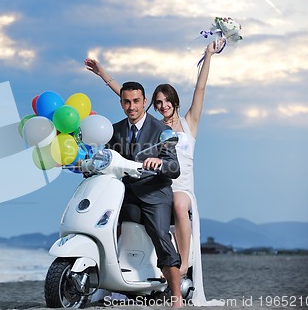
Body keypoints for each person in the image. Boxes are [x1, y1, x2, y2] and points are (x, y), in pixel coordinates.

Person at [85, 39, 222, 306]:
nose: (163, 105)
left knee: (180, 207)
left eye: (167, 100)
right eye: (158, 102)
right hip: (152, 181)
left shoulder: (188, 122)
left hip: (179, 183)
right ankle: (113, 269)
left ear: (175, 101)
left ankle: (180, 266)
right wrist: (103, 74)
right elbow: (128, 99)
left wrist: (208, 55)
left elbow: (200, 87)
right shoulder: (154, 124)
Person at [105, 81, 184, 308]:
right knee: (105, 222)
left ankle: (176, 295)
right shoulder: (115, 130)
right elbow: (106, 159)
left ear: (144, 102)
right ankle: (113, 278)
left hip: (154, 192)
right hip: (125, 192)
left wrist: (160, 162)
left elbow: (174, 168)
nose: (132, 107)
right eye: (127, 102)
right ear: (121, 103)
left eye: (136, 101)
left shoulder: (162, 130)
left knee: (160, 233)